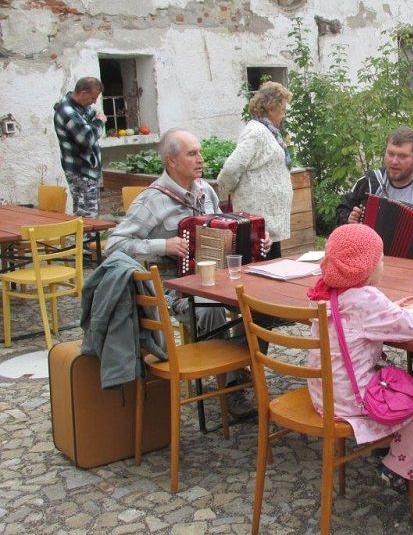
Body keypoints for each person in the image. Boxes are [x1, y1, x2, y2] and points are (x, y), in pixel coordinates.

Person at [105, 128, 260, 419]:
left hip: (217, 279)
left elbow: (220, 231)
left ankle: (241, 365)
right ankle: (234, 388)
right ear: (171, 161)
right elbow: (114, 245)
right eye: (192, 154)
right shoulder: (152, 201)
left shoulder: (205, 191)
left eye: (200, 152)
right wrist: (162, 245)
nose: (201, 159)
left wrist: (252, 241)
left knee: (258, 306)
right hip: (175, 291)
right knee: (208, 307)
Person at [306, 223, 413, 490]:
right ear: (365, 268)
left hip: (323, 395)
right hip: (350, 405)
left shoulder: (323, 293)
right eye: (381, 260)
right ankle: (398, 467)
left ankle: (386, 443)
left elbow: (362, 319)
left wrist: (389, 309)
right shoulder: (365, 300)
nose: (383, 265)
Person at [335, 126, 413, 261]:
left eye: (402, 156)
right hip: (370, 263)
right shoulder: (369, 183)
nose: (394, 161)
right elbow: (341, 210)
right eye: (390, 154)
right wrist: (348, 219)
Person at [217, 82, 293, 259]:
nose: (284, 113)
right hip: (258, 219)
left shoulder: (269, 131)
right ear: (270, 107)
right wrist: (223, 194)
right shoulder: (256, 132)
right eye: (282, 108)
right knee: (263, 270)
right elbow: (231, 167)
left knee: (274, 267)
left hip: (270, 221)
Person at [53, 76, 106, 219]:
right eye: (93, 97)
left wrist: (94, 119)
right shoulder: (68, 112)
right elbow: (87, 138)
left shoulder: (79, 106)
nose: (95, 102)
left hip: (89, 171)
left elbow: (91, 114)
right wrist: (100, 122)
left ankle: (89, 240)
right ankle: (85, 242)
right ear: (83, 93)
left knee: (91, 215)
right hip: (80, 171)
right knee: (87, 217)